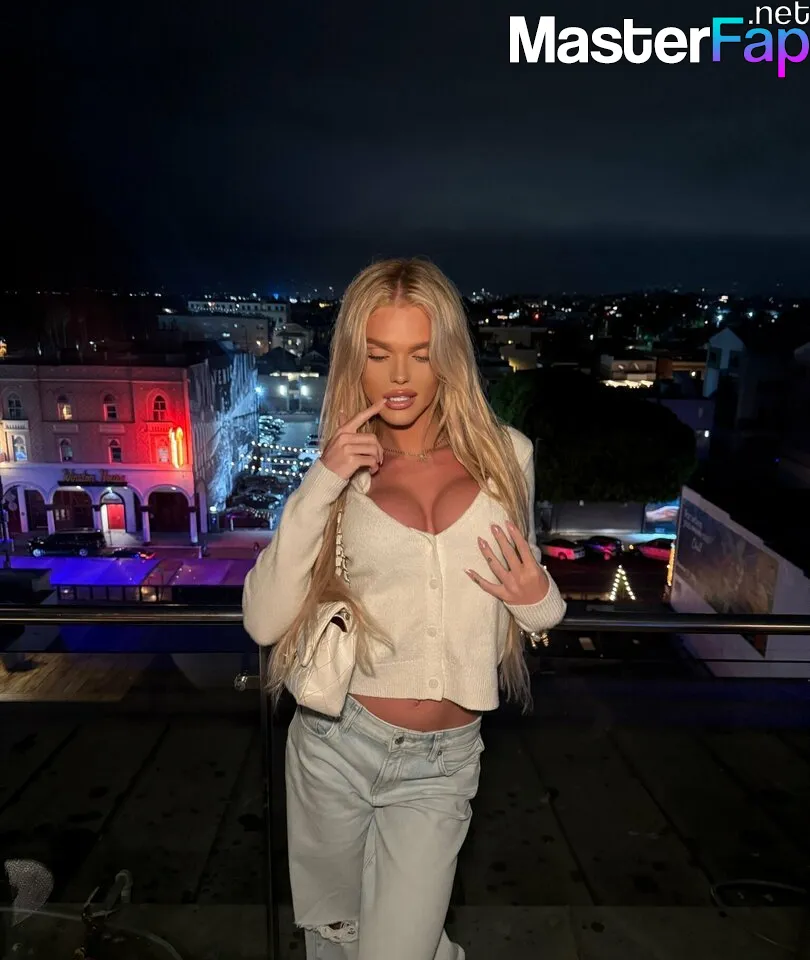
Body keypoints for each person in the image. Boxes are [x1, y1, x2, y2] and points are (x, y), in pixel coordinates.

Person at [242, 258, 566, 960]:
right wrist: (323, 480)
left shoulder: (508, 458)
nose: (398, 376)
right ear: (352, 360)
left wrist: (536, 600)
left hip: (443, 764)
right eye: (378, 353)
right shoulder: (340, 468)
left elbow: (538, 604)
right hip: (336, 741)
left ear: (448, 356)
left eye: (420, 353)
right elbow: (263, 621)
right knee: (334, 945)